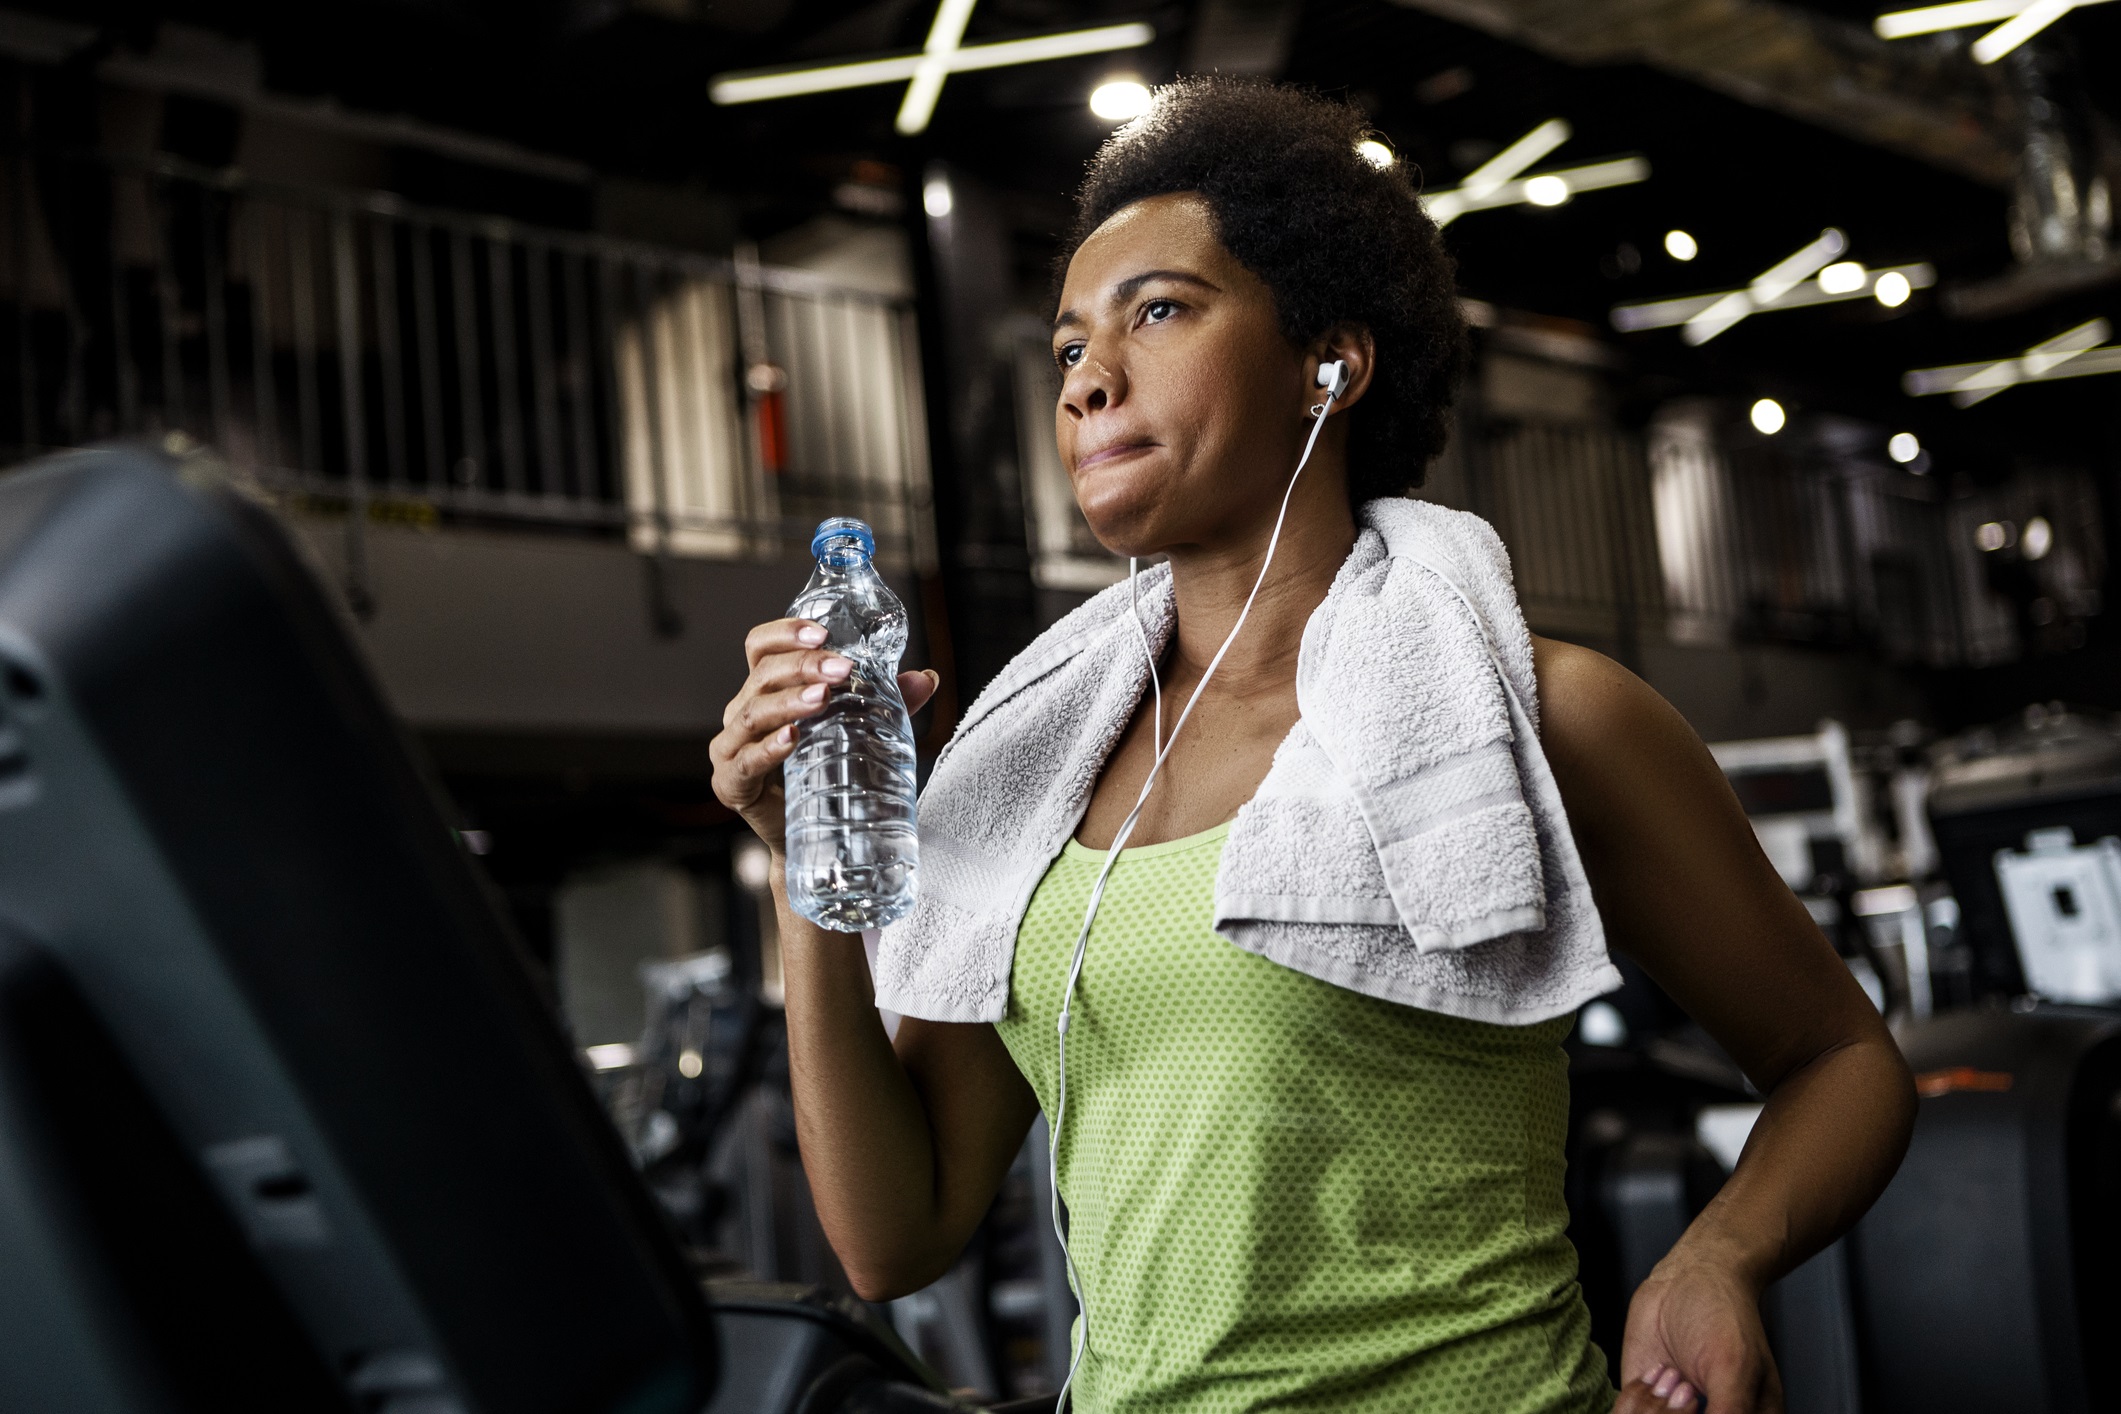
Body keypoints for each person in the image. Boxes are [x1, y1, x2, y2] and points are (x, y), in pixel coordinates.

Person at [711, 78, 1913, 1414]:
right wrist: (815, 857)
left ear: (1328, 362)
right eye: (1065, 349)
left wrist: (1717, 1257)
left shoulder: (1538, 712)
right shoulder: (1037, 772)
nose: (1088, 379)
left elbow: (1841, 1061)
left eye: (1157, 311)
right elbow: (896, 1234)